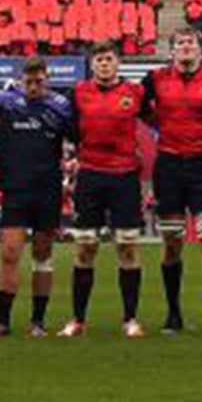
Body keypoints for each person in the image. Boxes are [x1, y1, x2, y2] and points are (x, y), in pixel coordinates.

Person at [141, 30, 202, 334]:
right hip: (168, 166)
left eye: (191, 43)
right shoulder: (155, 79)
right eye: (180, 43)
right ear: (172, 51)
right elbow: (139, 107)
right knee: (172, 246)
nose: (186, 47)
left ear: (199, 50)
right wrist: (158, 126)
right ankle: (173, 314)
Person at [0, 57, 77, 337]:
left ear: (47, 80)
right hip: (15, 189)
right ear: (22, 81)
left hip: (48, 189)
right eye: (29, 81)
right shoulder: (7, 100)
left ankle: (38, 322)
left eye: (39, 81)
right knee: (9, 253)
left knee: (42, 255)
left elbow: (78, 133)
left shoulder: (60, 106)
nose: (33, 86)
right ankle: (2, 322)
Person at [62, 42, 147, 338]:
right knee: (85, 247)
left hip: (124, 177)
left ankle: (130, 319)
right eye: (99, 60)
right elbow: (71, 129)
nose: (104, 65)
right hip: (91, 176)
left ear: (117, 63)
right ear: (93, 64)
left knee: (127, 246)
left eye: (108, 59)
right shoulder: (80, 92)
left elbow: (153, 120)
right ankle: (78, 320)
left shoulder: (135, 94)